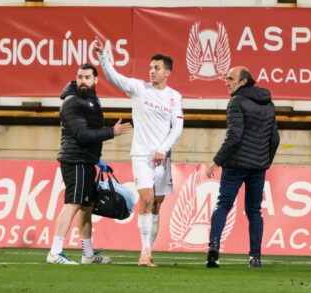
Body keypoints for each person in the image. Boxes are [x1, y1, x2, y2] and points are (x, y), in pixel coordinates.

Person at [94, 37, 184, 267]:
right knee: (146, 198)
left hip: (162, 158)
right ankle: (144, 253)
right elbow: (114, 77)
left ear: (167, 73)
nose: (152, 71)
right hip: (141, 156)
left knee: (157, 203)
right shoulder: (139, 88)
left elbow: (178, 127)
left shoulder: (175, 97)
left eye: (157, 68)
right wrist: (104, 58)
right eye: (150, 68)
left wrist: (162, 150)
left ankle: (149, 251)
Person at [47, 63, 132, 265]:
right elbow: (82, 134)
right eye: (79, 77)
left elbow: (89, 135)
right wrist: (113, 132)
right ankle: (55, 252)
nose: (82, 80)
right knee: (73, 204)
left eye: (86, 77)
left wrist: (97, 159)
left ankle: (88, 254)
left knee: (87, 206)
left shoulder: (92, 100)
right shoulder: (72, 102)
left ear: (95, 80)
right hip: (75, 160)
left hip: (86, 160)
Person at [205, 66, 280, 269]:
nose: (226, 82)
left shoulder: (236, 102)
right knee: (254, 211)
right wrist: (264, 162)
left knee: (223, 205)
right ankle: (255, 257)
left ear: (243, 81)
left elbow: (234, 137)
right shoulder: (269, 104)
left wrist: (217, 161)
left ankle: (213, 248)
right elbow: (275, 138)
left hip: (236, 165)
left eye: (230, 78)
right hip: (258, 167)